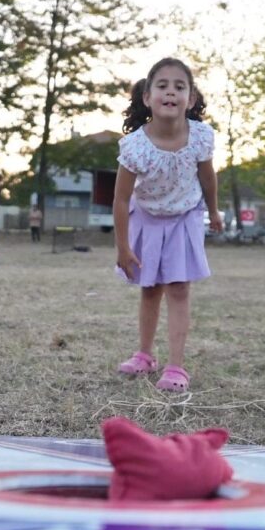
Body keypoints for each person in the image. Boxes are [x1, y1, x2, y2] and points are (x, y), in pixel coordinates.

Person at [113, 58, 221, 393]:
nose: (170, 92)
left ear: (190, 99)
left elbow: (207, 177)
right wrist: (123, 247)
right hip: (146, 217)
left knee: (178, 288)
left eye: (179, 86)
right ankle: (144, 355)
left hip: (184, 216)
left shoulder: (200, 137)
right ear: (147, 97)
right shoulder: (134, 146)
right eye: (162, 85)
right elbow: (120, 199)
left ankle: (176, 367)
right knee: (150, 288)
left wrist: (214, 211)